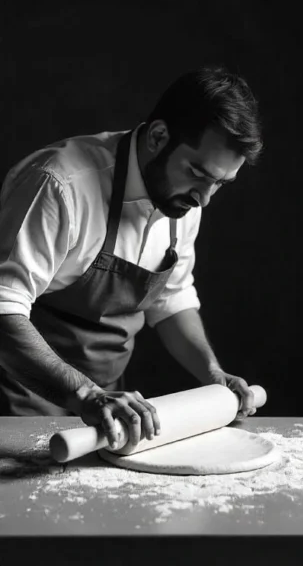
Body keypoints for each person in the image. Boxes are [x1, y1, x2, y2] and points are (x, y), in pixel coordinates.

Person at [0, 67, 263, 449]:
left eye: (220, 184)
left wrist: (211, 373)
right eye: (197, 173)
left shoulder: (185, 199)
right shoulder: (59, 185)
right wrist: (86, 396)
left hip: (106, 409)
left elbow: (171, 299)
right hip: (19, 402)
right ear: (158, 136)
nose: (204, 199)